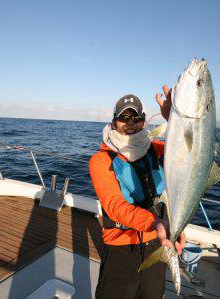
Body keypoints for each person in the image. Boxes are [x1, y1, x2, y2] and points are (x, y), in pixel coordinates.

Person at [89, 85, 186, 299]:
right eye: (124, 118)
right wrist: (155, 223)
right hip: (122, 247)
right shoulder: (100, 160)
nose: (130, 124)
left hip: (158, 243)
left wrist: (175, 120)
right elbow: (115, 207)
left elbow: (188, 154)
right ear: (114, 121)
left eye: (136, 118)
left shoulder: (158, 150)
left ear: (143, 120)